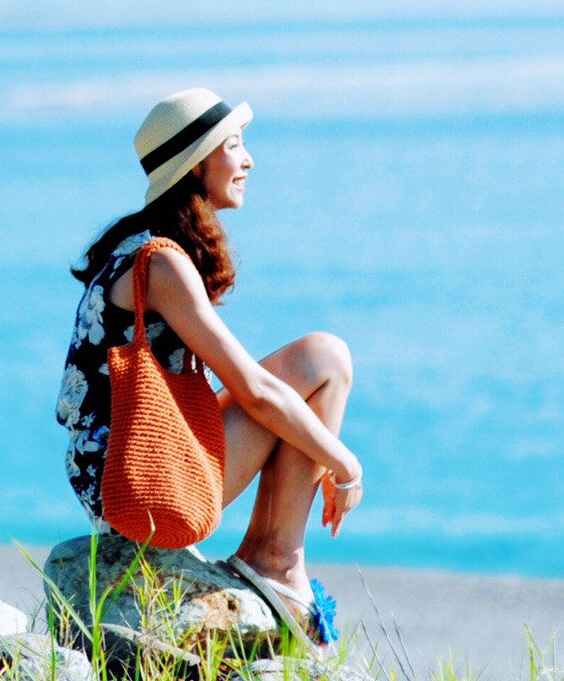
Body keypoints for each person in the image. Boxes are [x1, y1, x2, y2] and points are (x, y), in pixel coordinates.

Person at [55, 87, 361, 644]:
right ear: (196, 164)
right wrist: (344, 464)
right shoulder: (163, 263)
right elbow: (256, 391)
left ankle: (269, 554)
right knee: (323, 362)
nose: (248, 161)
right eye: (235, 146)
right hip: (136, 478)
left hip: (125, 456)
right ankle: (275, 560)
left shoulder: (142, 243)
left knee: (322, 358)